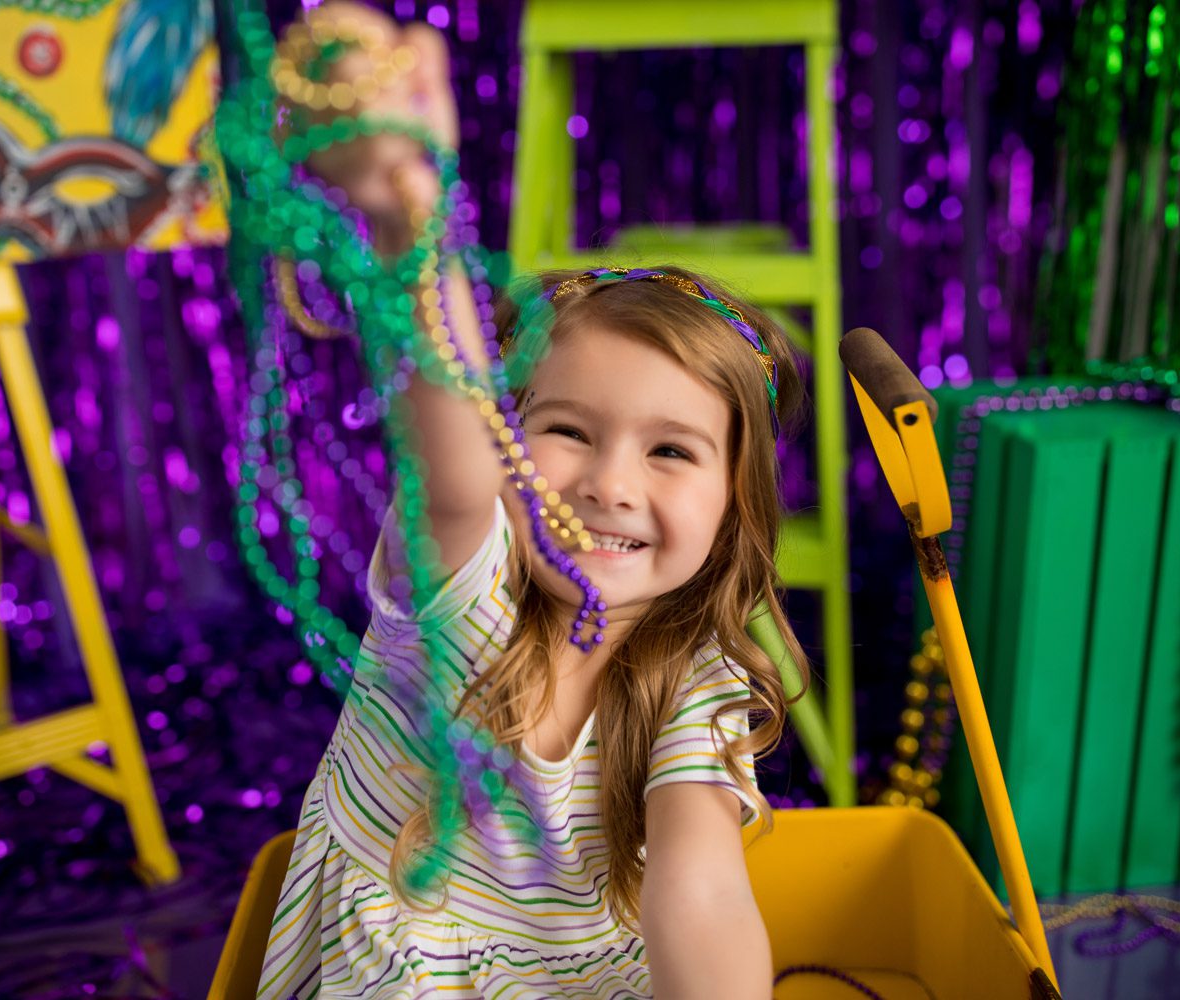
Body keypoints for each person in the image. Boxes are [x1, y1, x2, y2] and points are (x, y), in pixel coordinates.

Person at [258, 5, 809, 998]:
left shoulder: (698, 676)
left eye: (671, 450)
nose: (609, 485)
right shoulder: (464, 592)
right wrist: (412, 217)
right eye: (568, 431)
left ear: (736, 504)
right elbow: (456, 463)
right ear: (508, 436)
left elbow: (703, 890)